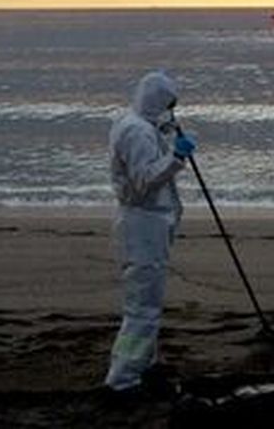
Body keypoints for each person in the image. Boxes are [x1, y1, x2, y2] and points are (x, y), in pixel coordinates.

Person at [104, 71, 195, 398]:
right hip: (142, 225)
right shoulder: (136, 132)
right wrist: (177, 158)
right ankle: (124, 380)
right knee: (142, 308)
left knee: (148, 303)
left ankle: (144, 365)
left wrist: (166, 134)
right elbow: (144, 181)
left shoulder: (138, 125)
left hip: (149, 225)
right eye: (169, 104)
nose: (171, 110)